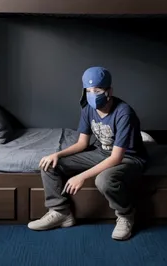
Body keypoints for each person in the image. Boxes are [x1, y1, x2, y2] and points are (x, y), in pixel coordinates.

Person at [28, 66, 148, 240]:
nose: (93, 94)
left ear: (109, 91)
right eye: (89, 90)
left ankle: (126, 215)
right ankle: (61, 212)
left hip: (129, 157)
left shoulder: (124, 113)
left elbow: (116, 157)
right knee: (50, 164)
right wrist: (58, 155)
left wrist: (82, 176)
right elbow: (82, 143)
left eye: (97, 90)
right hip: (101, 152)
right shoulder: (87, 109)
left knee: (104, 180)